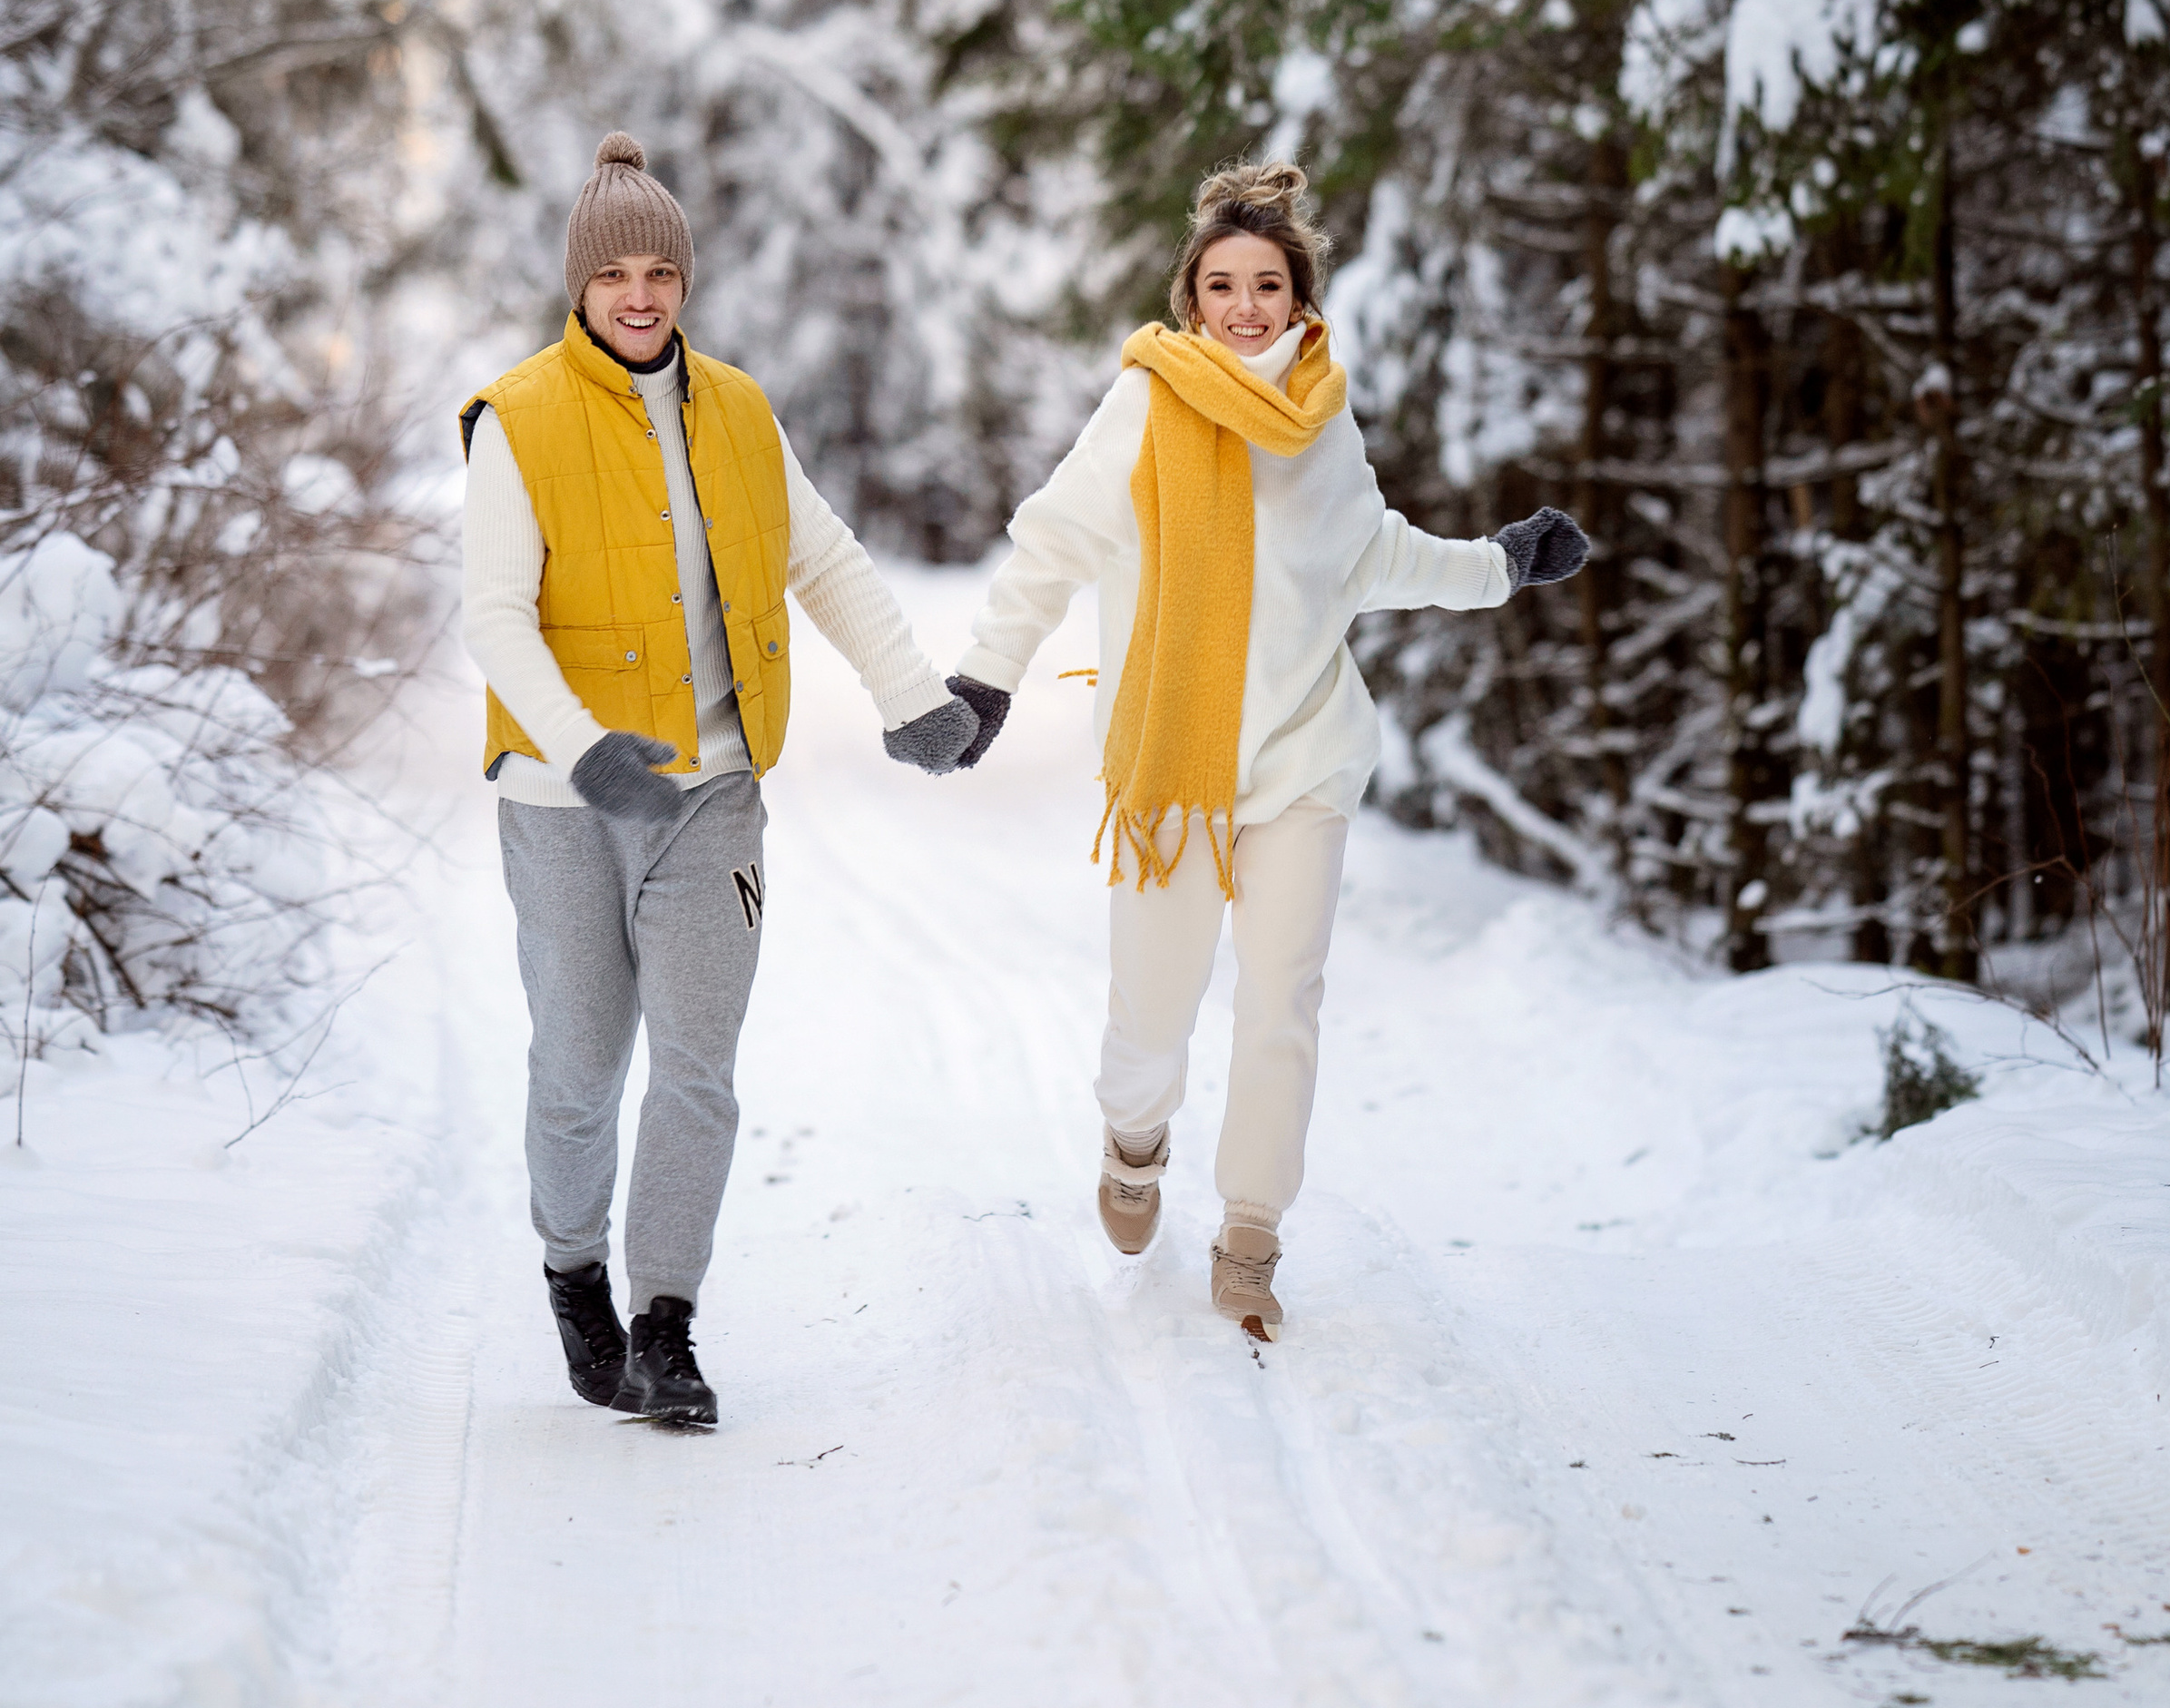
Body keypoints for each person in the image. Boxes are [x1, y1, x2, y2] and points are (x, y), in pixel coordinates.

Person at [938, 159, 1586, 1339]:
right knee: (1154, 1013)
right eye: (1224, 284)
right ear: (1192, 297)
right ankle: (1135, 1140)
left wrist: (1500, 564)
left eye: (1268, 285)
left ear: (1299, 300)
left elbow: (1373, 554)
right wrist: (986, 678)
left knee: (1283, 1000)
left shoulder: (1322, 415)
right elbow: (1050, 545)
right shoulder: (1145, 404)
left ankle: (1250, 1229)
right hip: (1174, 779)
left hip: (1302, 761)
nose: (1246, 306)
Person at [460, 131, 975, 1429]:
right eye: (616, 272)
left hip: (713, 792)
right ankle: (574, 1275)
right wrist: (582, 745)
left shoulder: (739, 412)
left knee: (698, 1065)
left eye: (663, 273)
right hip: (563, 798)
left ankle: (665, 1324)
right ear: (577, 284)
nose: (641, 295)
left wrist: (911, 694)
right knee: (579, 1063)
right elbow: (494, 621)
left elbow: (832, 561)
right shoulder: (515, 420)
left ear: (686, 283)